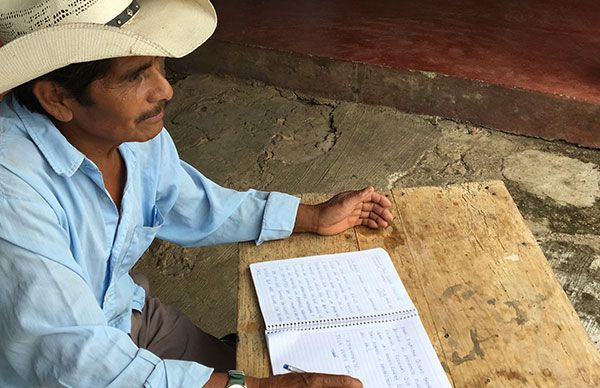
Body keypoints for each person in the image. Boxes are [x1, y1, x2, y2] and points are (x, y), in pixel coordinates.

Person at [0, 1, 394, 387]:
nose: (165, 89)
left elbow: (189, 202)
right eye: (135, 75)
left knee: (262, 361)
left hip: (128, 315)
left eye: (159, 64)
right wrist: (252, 386)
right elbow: (77, 360)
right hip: (43, 373)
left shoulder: (133, 137)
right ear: (57, 98)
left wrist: (310, 217)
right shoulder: (11, 189)